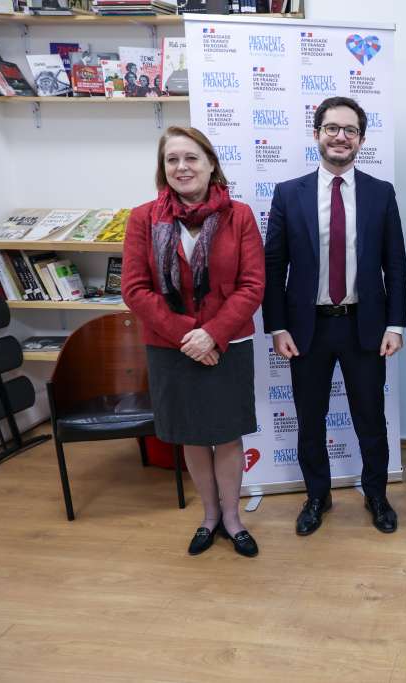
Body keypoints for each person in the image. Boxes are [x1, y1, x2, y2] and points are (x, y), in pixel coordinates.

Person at [263, 96, 406, 536]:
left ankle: (376, 495)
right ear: (317, 134)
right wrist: (277, 325)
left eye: (350, 130)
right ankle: (316, 496)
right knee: (310, 420)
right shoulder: (289, 193)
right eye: (332, 128)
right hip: (307, 328)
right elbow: (274, 266)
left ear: (361, 139)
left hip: (365, 325)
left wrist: (395, 324)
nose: (340, 137)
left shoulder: (381, 193)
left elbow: (395, 264)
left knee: (371, 420)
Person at [121, 126, 265, 558]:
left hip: (228, 345)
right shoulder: (143, 218)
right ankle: (210, 516)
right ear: (162, 168)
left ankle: (233, 519)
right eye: (172, 160)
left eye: (191, 158)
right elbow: (135, 289)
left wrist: (212, 334)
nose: (182, 167)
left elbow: (252, 285)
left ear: (210, 163)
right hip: (172, 348)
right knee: (192, 436)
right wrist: (189, 336)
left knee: (227, 435)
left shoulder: (240, 216)